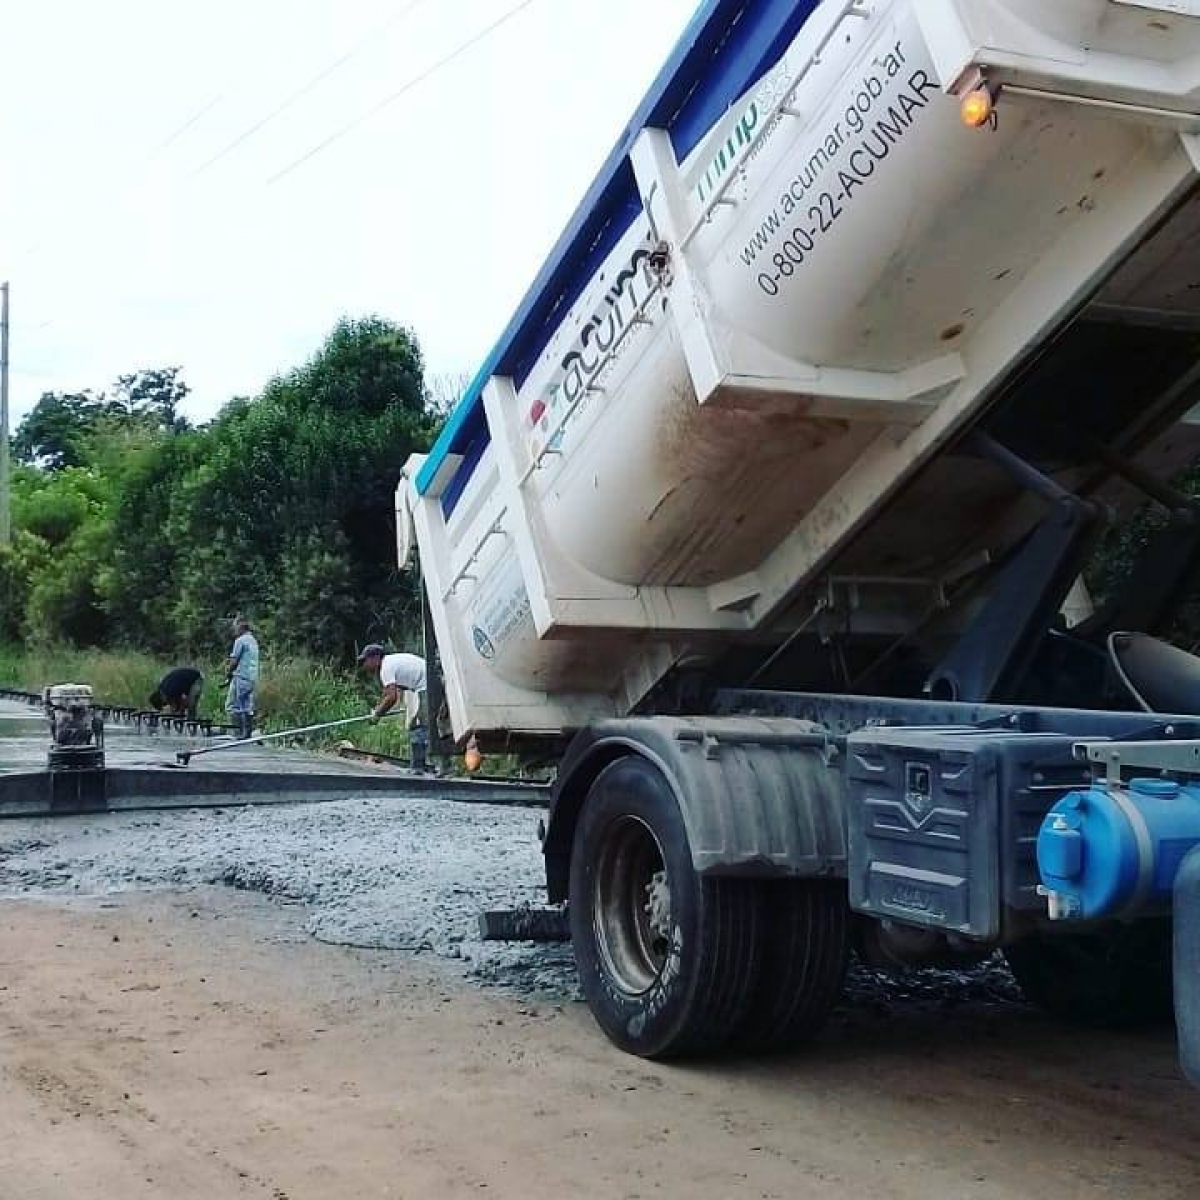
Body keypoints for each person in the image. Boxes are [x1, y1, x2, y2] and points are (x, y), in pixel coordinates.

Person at [357, 643, 429, 771]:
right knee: (419, 725)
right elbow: (387, 694)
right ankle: (420, 765)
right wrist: (378, 708)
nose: (365, 666)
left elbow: (391, 698)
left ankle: (420, 767)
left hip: (427, 685)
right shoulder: (390, 663)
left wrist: (377, 715)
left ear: (376, 658)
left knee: (419, 726)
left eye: (366, 661)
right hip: (425, 683)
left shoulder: (386, 667)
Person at [225, 616, 260, 739]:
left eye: (235, 626)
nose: (234, 629)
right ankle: (247, 732)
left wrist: (228, 673)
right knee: (246, 705)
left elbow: (234, 661)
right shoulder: (253, 640)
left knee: (233, 705)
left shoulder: (240, 641)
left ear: (240, 626)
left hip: (241, 676)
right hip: (252, 676)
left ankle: (239, 732)